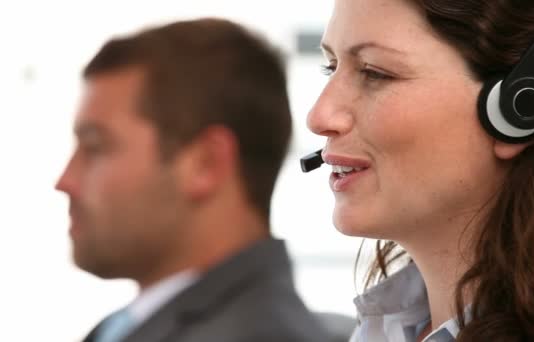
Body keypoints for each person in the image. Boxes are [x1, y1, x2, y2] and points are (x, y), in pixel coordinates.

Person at [305, 0, 534, 340]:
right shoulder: (387, 328)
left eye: (375, 72)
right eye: (330, 67)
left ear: (522, 107)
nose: (319, 117)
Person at [56, 18, 330, 342]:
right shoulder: (130, 324)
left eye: (96, 147)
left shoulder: (260, 334)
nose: (65, 181)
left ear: (206, 163)